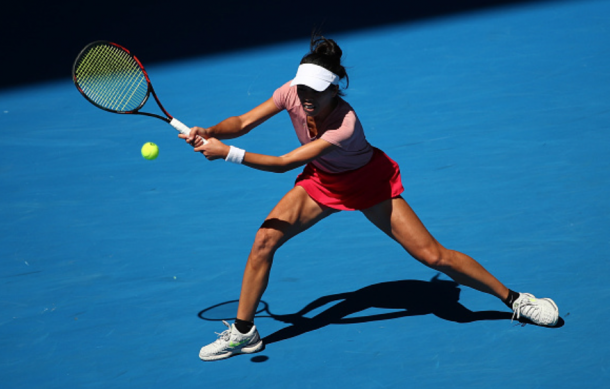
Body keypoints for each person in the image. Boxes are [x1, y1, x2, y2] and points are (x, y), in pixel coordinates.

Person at [180, 35, 559, 362]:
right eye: (302, 88)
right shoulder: (291, 93)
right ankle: (245, 331)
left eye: (316, 90)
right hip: (322, 182)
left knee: (433, 256)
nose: (306, 96)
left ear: (336, 87)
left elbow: (282, 164)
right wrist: (211, 130)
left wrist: (225, 152)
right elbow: (244, 123)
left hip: (368, 183)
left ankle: (516, 300)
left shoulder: (345, 125)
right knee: (264, 240)